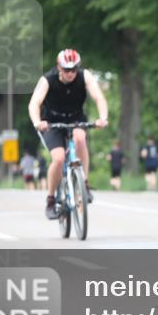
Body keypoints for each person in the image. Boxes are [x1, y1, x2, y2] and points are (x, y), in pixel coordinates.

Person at [28, 49, 109, 219]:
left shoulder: (84, 76)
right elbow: (34, 103)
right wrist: (37, 122)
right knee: (58, 158)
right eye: (66, 70)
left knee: (80, 139)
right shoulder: (47, 79)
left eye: (74, 69)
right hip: (51, 123)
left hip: (76, 119)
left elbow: (99, 97)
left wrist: (103, 118)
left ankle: (84, 183)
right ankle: (50, 200)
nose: (71, 73)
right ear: (59, 67)